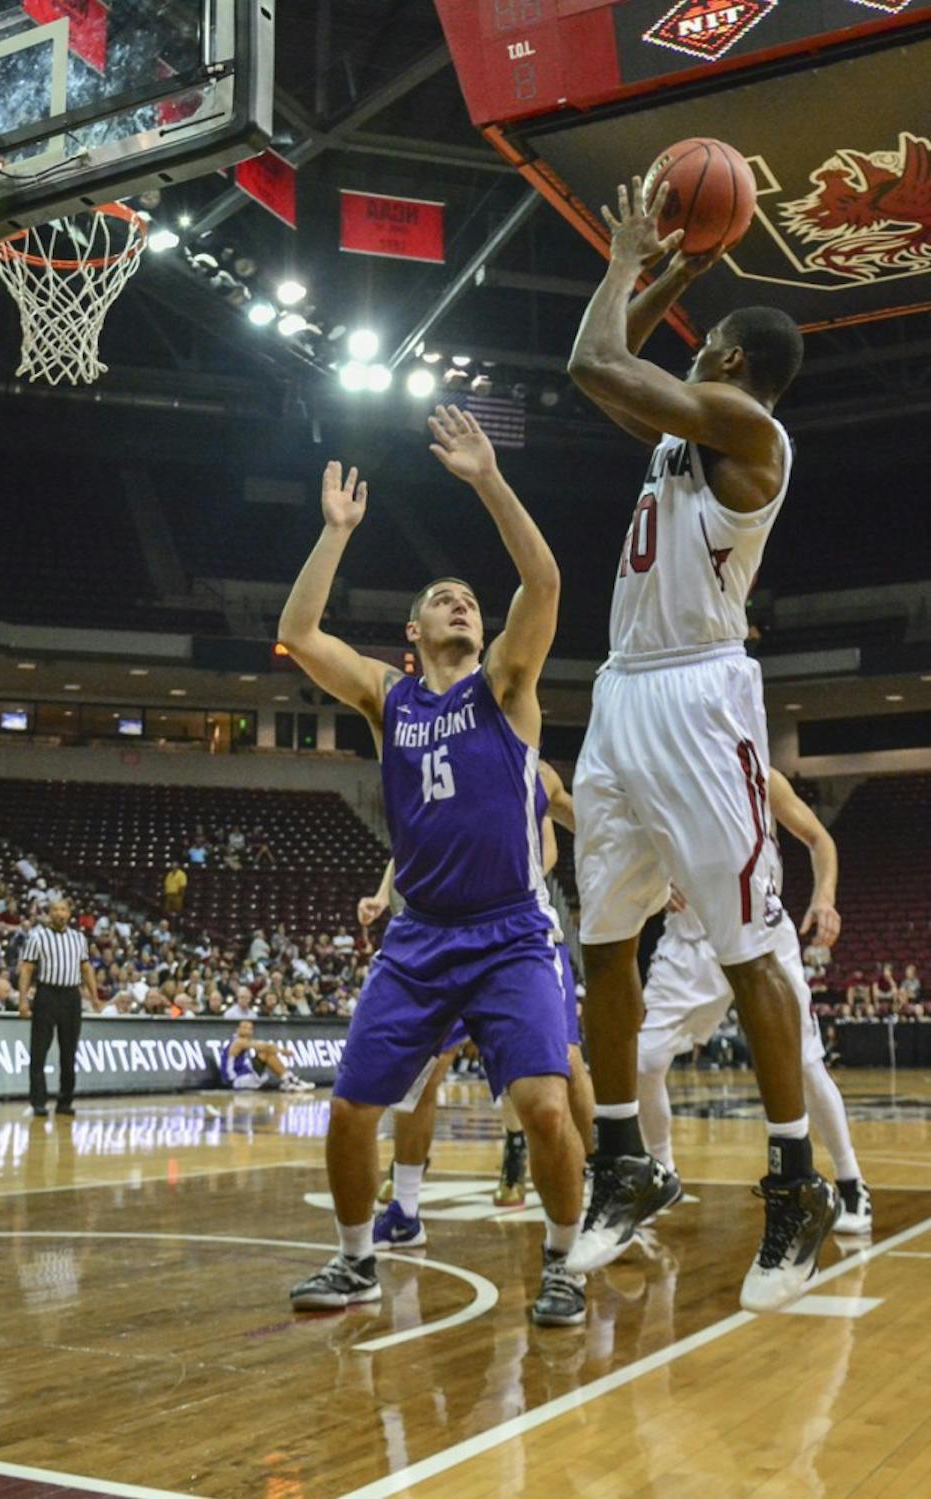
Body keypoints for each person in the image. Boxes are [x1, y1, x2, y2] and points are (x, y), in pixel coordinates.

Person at [566, 175, 835, 1312]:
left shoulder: (749, 431)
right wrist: (678, 271)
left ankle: (797, 1183)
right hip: (622, 690)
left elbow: (593, 359)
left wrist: (628, 258)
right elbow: (611, 372)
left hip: (697, 697)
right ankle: (623, 1158)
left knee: (746, 948)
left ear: (726, 359)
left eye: (702, 339)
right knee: (604, 937)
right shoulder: (685, 428)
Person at [279, 412, 585, 1327]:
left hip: (510, 932)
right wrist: (335, 533)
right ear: (412, 629)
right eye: (443, 599)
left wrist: (488, 479)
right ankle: (355, 1261)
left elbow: (544, 580)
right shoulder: (389, 697)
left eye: (469, 600)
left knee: (544, 1106)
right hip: (419, 937)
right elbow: (298, 631)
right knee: (348, 1110)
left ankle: (564, 1260)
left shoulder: (506, 684)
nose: (461, 603)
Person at [632, 769, 871, 1248]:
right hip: (690, 942)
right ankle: (662, 1172)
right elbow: (637, 854)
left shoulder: (758, 771)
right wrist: (654, 883)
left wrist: (824, 898)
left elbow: (819, 839)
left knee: (805, 1065)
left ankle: (851, 1184)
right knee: (644, 1060)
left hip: (760, 931)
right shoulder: (661, 773)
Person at [365, 760, 596, 1247]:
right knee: (421, 1075)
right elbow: (412, 840)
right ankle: (405, 1206)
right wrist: (384, 893)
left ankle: (601, 1177)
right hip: (443, 939)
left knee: (562, 1065)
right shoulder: (435, 753)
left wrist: (649, 859)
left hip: (516, 934)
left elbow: (568, 832)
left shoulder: (528, 767)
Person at [18, 899, 98, 1118]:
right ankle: (38, 1102)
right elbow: (27, 969)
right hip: (47, 994)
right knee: (39, 1051)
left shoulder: (79, 938)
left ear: (69, 913)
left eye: (63, 909)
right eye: (55, 909)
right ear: (49, 913)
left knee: (69, 1052)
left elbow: (86, 968)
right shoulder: (37, 937)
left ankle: (65, 1101)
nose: (59, 913)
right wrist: (23, 1000)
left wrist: (95, 996)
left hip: (71, 996)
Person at [217, 1018, 315, 1093]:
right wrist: (282, 1051)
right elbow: (264, 1046)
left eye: (250, 1028)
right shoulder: (238, 1042)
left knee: (266, 1052)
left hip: (242, 1077)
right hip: (235, 1080)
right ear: (238, 1030)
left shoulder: (242, 1042)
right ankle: (289, 1080)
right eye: (244, 1028)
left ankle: (289, 1080)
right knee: (265, 1052)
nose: (248, 1030)